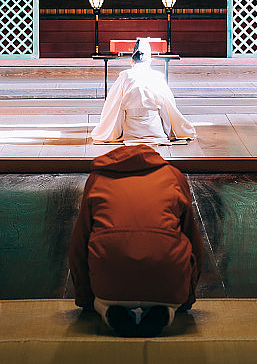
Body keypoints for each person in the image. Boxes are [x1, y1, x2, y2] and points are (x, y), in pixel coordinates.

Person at [68, 144, 204, 337]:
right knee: (171, 279)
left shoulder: (97, 178)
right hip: (168, 284)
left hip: (110, 288)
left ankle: (106, 310)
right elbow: (194, 240)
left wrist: (86, 299)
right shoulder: (174, 176)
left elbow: (78, 244)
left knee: (102, 300)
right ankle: (168, 310)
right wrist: (187, 297)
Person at [90, 38, 196, 144]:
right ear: (149, 61)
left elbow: (115, 106)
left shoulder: (125, 76)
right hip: (154, 127)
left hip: (131, 129)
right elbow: (167, 107)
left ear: (132, 61)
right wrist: (168, 131)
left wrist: (116, 131)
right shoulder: (156, 76)